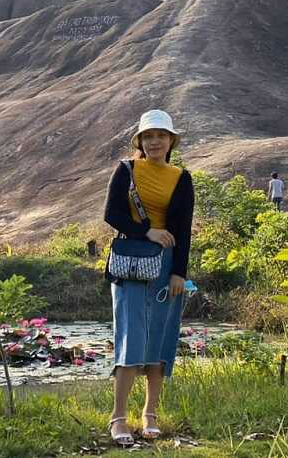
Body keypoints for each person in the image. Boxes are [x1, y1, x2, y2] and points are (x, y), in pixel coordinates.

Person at [103, 109, 195, 446]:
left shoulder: (181, 177)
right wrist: (148, 231)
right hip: (131, 262)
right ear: (140, 141)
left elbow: (183, 230)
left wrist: (178, 274)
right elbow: (111, 214)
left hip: (166, 264)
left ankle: (150, 414)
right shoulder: (126, 170)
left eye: (161, 135)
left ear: (171, 141)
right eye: (148, 136)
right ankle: (117, 418)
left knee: (160, 337)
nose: (155, 141)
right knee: (129, 337)